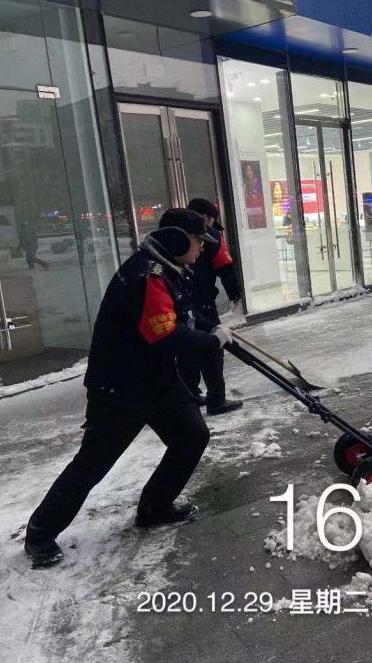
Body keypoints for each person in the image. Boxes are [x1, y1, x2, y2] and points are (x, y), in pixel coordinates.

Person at [23, 215, 233, 568]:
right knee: (94, 462)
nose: (202, 248)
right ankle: (40, 532)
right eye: (199, 241)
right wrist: (211, 342)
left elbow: (182, 315)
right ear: (179, 239)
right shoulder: (146, 276)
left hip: (157, 380)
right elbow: (165, 335)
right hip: (121, 388)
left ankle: (155, 507)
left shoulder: (169, 270)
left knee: (192, 436)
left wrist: (212, 327)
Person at [173, 198, 243, 416]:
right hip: (202, 302)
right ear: (205, 217)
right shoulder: (211, 237)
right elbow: (226, 268)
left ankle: (191, 394)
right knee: (213, 347)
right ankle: (217, 400)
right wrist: (235, 296)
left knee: (187, 346)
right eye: (212, 220)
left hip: (180, 300)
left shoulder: (172, 235)